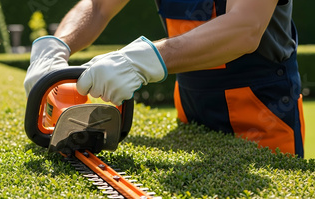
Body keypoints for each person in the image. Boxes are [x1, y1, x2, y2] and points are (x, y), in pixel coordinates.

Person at [24, 0, 305, 158]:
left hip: (264, 112)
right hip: (191, 105)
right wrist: (55, 46)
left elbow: (246, 28)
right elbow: (98, 6)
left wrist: (143, 60)